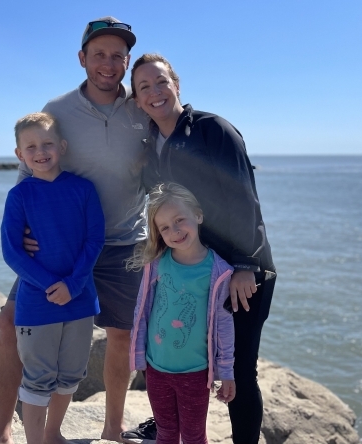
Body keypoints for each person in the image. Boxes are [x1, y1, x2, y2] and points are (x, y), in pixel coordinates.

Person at [0, 17, 151, 444]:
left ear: (127, 61)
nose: (108, 63)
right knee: (9, 322)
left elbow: (169, 165)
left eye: (118, 55)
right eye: (98, 54)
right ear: (82, 58)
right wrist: (23, 228)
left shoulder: (143, 109)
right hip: (56, 245)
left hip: (123, 240)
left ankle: (113, 429)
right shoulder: (55, 110)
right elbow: (30, 168)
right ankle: (1, 431)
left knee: (122, 334)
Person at [130, 53, 276, 444]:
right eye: (144, 87)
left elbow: (244, 197)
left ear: (176, 84)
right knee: (179, 354)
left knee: (239, 369)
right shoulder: (150, 146)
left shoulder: (213, 130)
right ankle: (166, 424)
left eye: (161, 82)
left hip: (237, 271)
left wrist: (246, 264)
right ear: (137, 100)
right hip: (188, 268)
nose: (154, 92)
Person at [1, 113, 105, 444]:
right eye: (31, 146)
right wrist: (50, 285)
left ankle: (53, 433)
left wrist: (73, 284)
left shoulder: (83, 189)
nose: (40, 151)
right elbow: (12, 252)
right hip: (37, 303)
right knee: (38, 377)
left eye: (47, 143)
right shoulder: (19, 196)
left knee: (72, 373)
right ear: (19, 154)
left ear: (61, 146)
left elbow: (94, 240)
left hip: (80, 299)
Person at [129, 183, 235, 444]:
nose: (174, 231)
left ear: (197, 215)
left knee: (193, 436)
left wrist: (227, 372)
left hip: (196, 372)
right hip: (156, 369)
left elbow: (223, 324)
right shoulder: (156, 263)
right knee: (165, 433)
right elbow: (142, 310)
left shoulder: (218, 271)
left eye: (179, 220)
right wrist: (138, 356)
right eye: (164, 227)